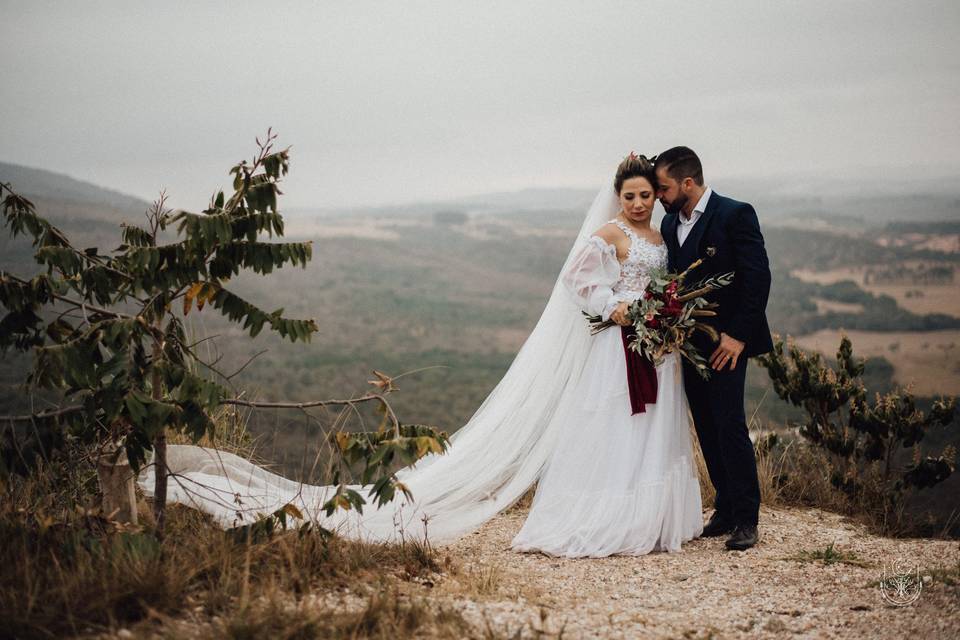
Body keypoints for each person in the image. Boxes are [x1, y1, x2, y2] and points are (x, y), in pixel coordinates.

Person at [139, 154, 703, 556]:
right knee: (613, 429)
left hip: (658, 350)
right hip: (617, 348)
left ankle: (649, 522)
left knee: (651, 430)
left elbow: (665, 283)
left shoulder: (659, 238)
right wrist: (616, 307)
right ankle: (603, 520)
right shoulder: (610, 232)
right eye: (628, 195)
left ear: (657, 196)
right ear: (617, 196)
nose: (635, 203)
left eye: (644, 195)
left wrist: (663, 317)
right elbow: (576, 281)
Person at [655, 146, 773, 551]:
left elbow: (758, 277)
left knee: (729, 425)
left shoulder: (736, 213)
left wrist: (738, 335)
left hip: (727, 344)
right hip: (688, 344)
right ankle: (724, 508)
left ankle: (746, 518)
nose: (658, 196)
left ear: (688, 182)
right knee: (705, 425)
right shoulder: (671, 223)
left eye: (664, 187)